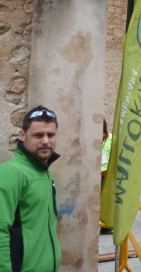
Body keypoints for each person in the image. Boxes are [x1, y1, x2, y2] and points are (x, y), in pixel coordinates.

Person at [0, 105, 62, 271]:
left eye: (51, 135)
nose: (46, 141)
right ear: (22, 135)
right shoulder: (11, 173)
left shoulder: (45, 172)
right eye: (38, 135)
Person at [100, 119, 113, 235]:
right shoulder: (91, 138)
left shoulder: (111, 138)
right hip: (93, 173)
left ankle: (105, 227)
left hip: (106, 173)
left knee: (106, 201)